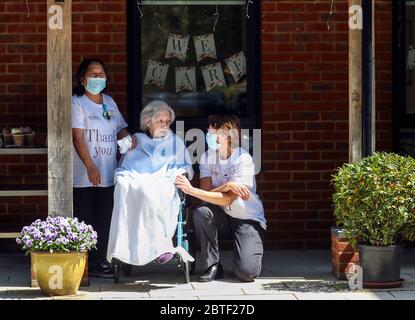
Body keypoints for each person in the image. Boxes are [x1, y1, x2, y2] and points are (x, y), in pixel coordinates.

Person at [175, 114, 266, 282]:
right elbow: (205, 195)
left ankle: (248, 251)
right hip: (221, 216)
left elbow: (228, 199)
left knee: (246, 273)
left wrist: (193, 190)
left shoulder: (243, 158)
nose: (207, 133)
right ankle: (213, 266)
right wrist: (227, 186)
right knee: (201, 212)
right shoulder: (207, 157)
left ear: (226, 134)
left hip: (246, 218)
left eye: (212, 130)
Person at [106, 101, 194, 267]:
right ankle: (124, 248)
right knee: (124, 186)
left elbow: (183, 167)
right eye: (160, 121)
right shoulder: (136, 140)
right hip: (138, 181)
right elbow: (125, 167)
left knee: (152, 190)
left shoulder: (175, 141)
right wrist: (126, 179)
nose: (165, 125)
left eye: (168, 122)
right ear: (148, 122)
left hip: (164, 182)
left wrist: (179, 175)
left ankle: (161, 247)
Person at [72, 58, 137, 278]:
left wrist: (128, 137)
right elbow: (77, 136)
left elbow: (120, 127)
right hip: (85, 174)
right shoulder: (77, 102)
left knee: (104, 218)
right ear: (83, 79)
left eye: (101, 74)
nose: (98, 78)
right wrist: (89, 165)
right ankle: (84, 264)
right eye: (93, 74)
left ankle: (100, 261)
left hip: (109, 171)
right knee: (85, 216)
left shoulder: (109, 101)